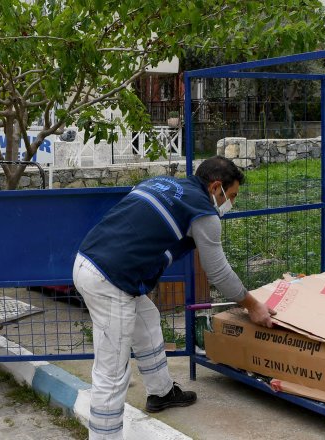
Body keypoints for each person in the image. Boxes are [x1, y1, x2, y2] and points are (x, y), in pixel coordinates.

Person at [72, 156, 276, 439]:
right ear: (216, 187)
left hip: (89, 261)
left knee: (147, 319)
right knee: (112, 373)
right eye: (231, 196)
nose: (232, 203)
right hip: (110, 281)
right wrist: (253, 305)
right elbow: (218, 272)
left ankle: (161, 392)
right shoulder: (202, 212)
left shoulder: (162, 183)